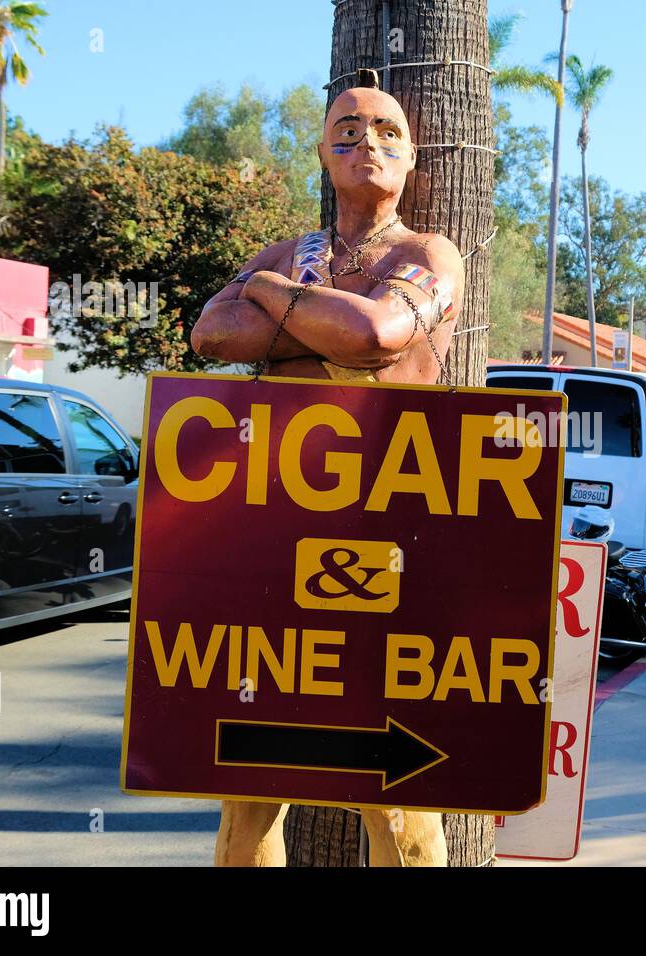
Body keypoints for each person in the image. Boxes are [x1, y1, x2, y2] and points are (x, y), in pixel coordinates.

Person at [191, 75, 463, 868]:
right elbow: (212, 335)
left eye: (384, 129)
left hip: (393, 534)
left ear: (411, 156)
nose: (364, 140)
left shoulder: (426, 254)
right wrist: (321, 320)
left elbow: (378, 333)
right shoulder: (291, 251)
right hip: (275, 528)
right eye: (345, 127)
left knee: (399, 801)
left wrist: (273, 297)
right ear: (321, 150)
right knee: (250, 784)